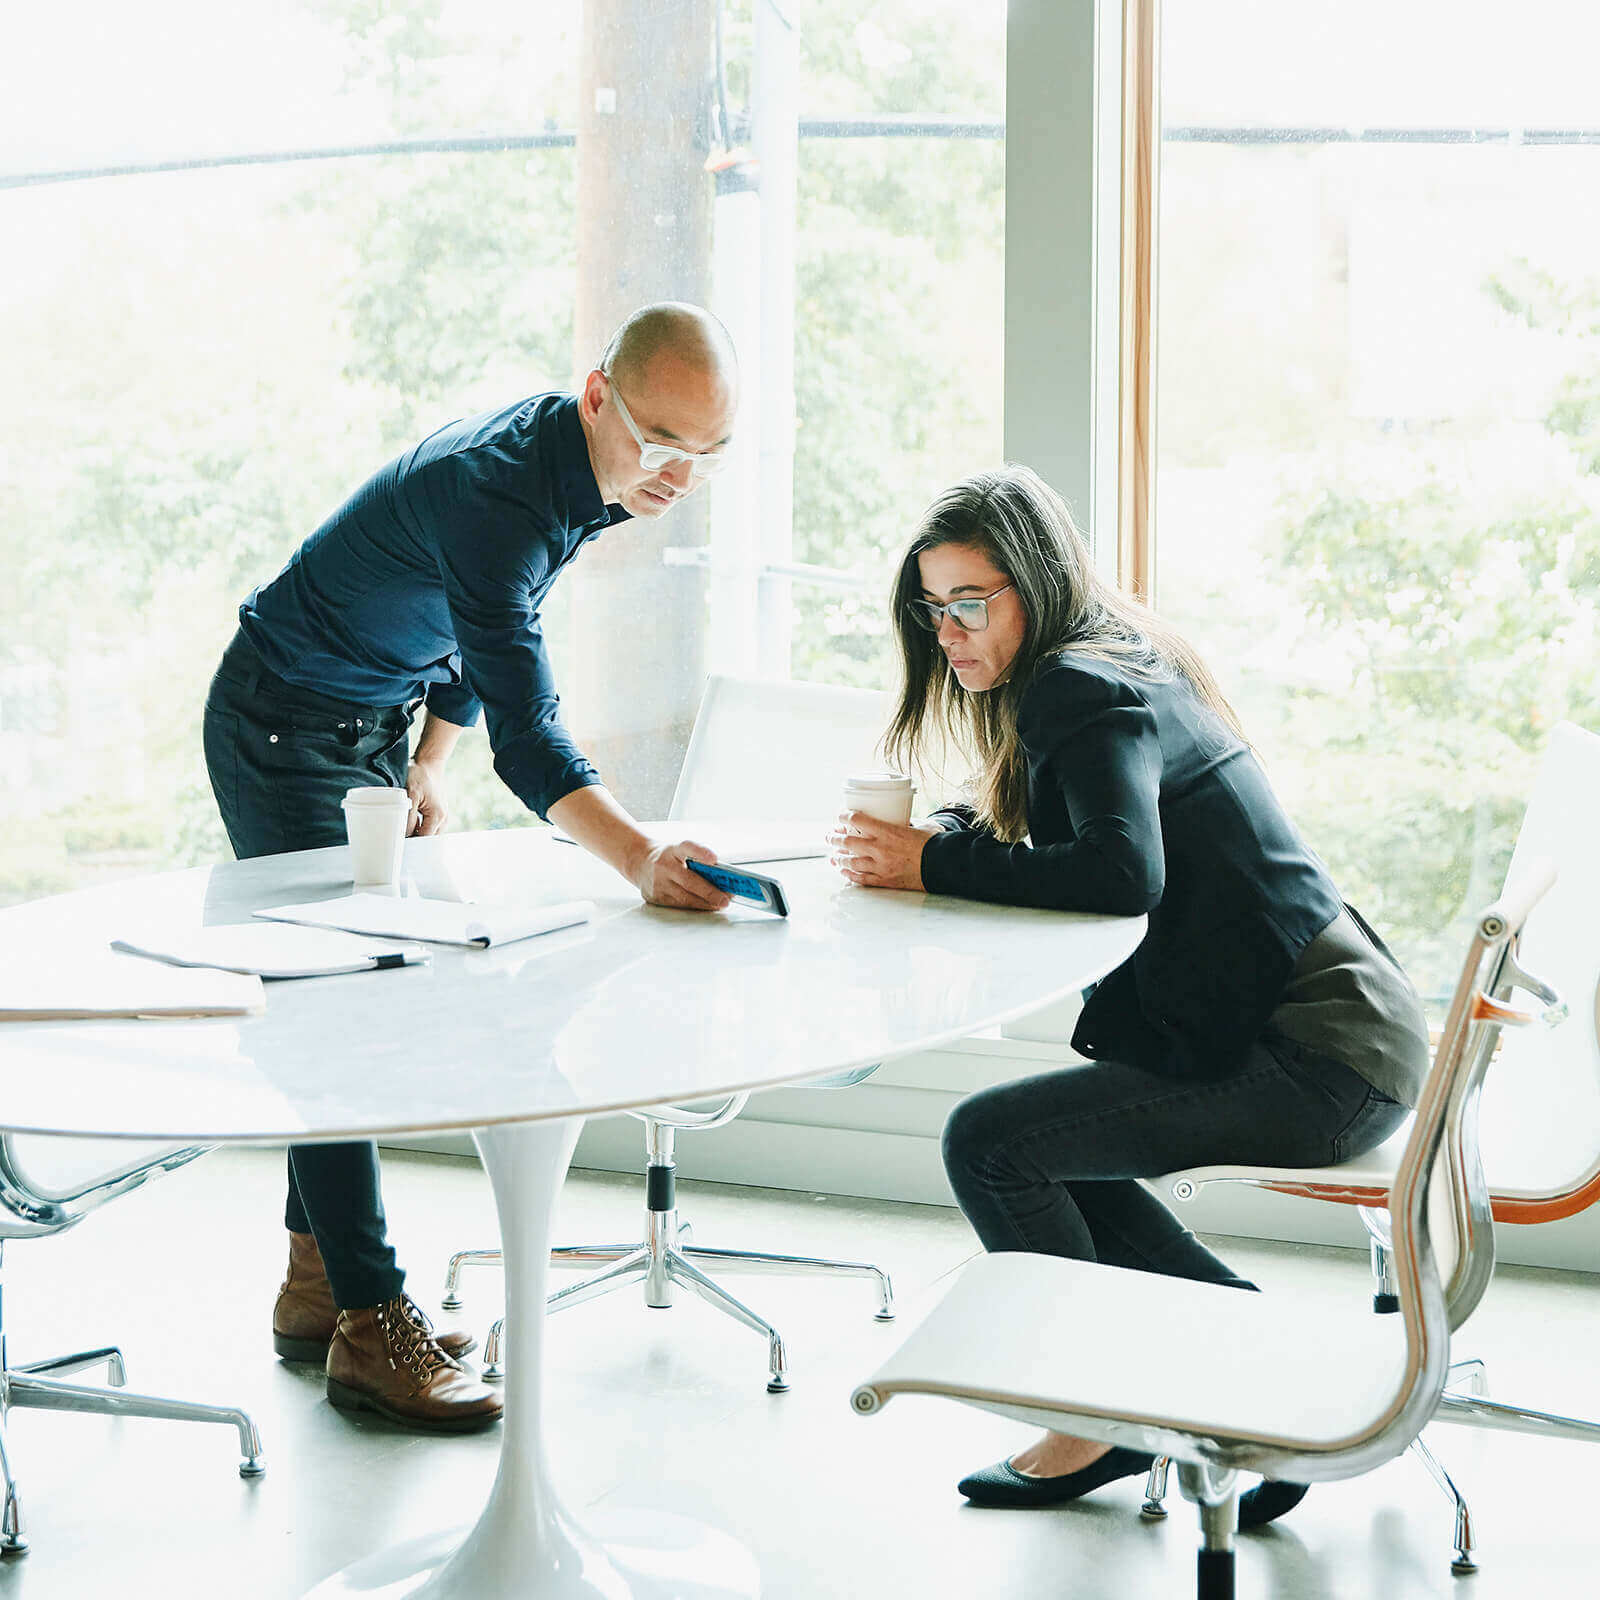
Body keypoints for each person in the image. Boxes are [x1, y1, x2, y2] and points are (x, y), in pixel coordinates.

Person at [828, 463, 1430, 1523]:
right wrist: (953, 835)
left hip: (1318, 1057)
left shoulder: (1077, 683)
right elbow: (1083, 816)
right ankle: (1272, 1381)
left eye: (972, 602)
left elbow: (1120, 871)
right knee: (1052, 1151)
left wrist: (928, 864)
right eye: (933, 608)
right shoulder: (1111, 657)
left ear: (1036, 584)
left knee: (990, 1141)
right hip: (1353, 1032)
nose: (949, 631)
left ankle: (1098, 1411)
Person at [204, 303, 739, 1431]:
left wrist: (426, 763)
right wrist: (638, 854)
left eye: (705, 455)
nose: (677, 476)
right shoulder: (500, 490)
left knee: (345, 1000)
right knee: (337, 1015)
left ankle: (314, 1291)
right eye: (659, 443)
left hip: (363, 725)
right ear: (598, 392)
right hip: (281, 722)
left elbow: (479, 624)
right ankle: (368, 1318)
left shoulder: (586, 472)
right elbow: (530, 733)